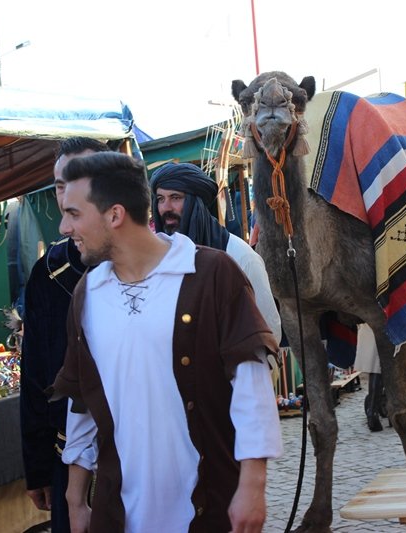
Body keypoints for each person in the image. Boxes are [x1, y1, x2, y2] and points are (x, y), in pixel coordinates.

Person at [48, 152, 283, 532]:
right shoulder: (87, 293)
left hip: (207, 507)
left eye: (74, 214)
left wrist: (253, 485)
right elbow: (83, 401)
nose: (63, 227)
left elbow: (252, 384)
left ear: (114, 215)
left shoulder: (212, 273)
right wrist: (76, 500)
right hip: (120, 514)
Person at [19, 136, 110, 532]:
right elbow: (37, 372)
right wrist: (37, 465)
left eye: (79, 179)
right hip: (66, 458)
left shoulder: (161, 265)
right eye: (59, 184)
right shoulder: (49, 272)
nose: (66, 194)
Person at [150, 162, 282, 344]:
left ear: (195, 202)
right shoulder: (155, 262)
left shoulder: (240, 257)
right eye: (160, 199)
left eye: (175, 197)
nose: (166, 208)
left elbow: (269, 332)